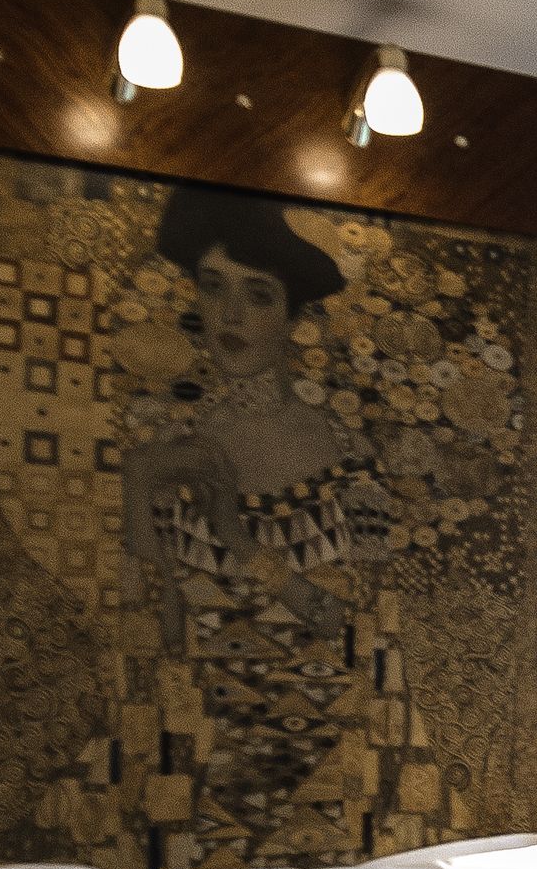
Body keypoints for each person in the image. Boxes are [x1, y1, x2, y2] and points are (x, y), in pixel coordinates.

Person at [118, 185, 384, 649]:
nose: (231, 315)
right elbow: (155, 634)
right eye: (213, 287)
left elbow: (363, 631)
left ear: (293, 318)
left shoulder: (351, 456)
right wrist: (138, 484)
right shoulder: (174, 447)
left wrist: (235, 536)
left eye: (259, 295)